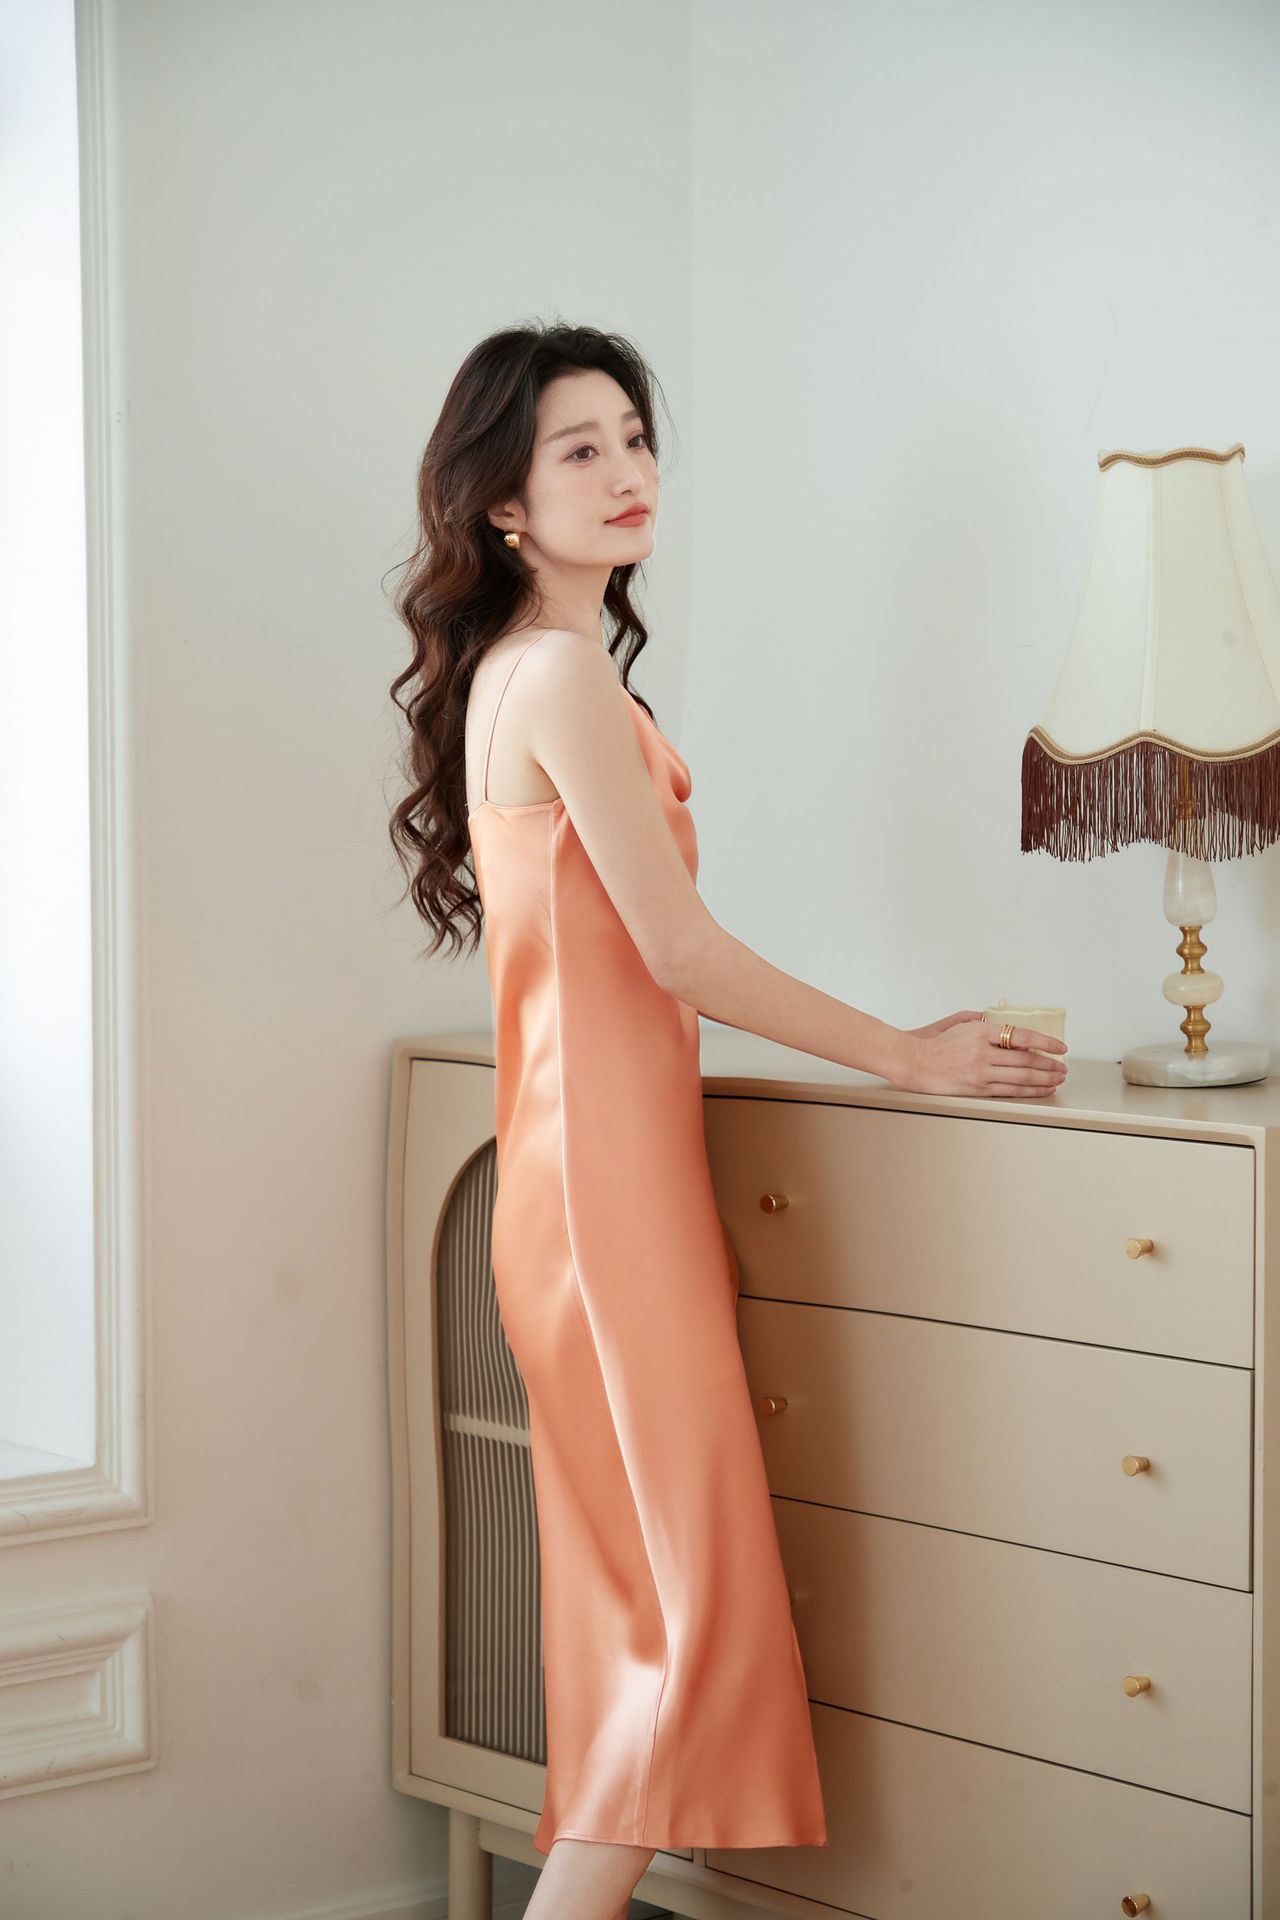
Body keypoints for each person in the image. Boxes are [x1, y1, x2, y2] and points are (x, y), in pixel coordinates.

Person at [387, 321, 1068, 1920]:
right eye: (580, 449)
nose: (628, 472)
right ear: (502, 502)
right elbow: (676, 953)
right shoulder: (557, 675)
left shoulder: (542, 671)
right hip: (600, 1208)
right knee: (673, 1637)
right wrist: (906, 1055)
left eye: (635, 438)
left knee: (659, 1625)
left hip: (602, 1189)